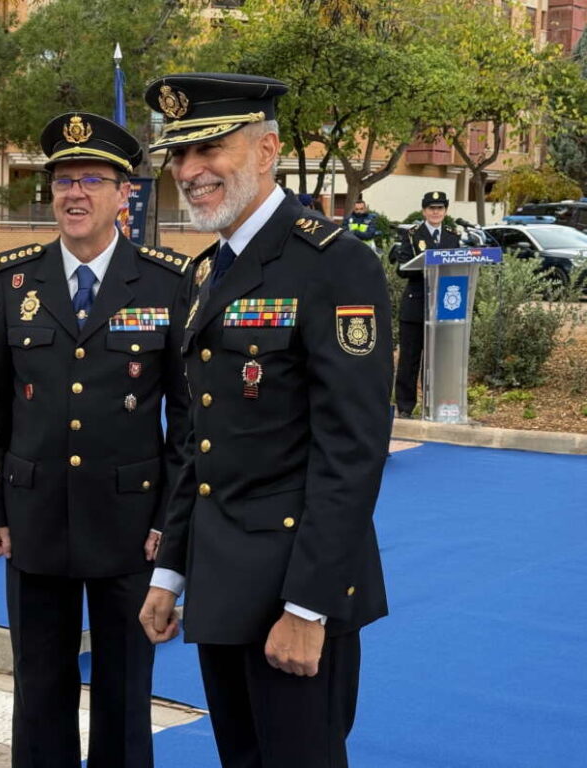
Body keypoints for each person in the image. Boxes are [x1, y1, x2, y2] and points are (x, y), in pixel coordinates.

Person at [138, 73, 393, 768]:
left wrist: (308, 609)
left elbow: (353, 449)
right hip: (223, 586)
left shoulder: (334, 264)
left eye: (209, 149)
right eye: (180, 157)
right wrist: (171, 576)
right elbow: (201, 441)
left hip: (293, 587)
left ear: (267, 149)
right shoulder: (205, 274)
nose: (190, 172)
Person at [0, 112, 191, 768]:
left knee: (126, 691)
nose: (73, 193)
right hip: (35, 517)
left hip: (130, 524)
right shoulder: (16, 281)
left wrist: (168, 525)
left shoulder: (164, 282)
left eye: (92, 179)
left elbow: (187, 424)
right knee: (39, 686)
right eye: (63, 180)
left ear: (124, 192)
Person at [393, 191, 459, 419]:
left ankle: (436, 405)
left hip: (442, 307)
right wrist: (428, 267)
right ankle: (404, 407)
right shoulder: (412, 235)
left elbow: (458, 266)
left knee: (436, 360)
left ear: (445, 211)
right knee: (410, 359)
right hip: (416, 305)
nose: (435, 212)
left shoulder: (452, 235)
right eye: (431, 208)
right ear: (424, 211)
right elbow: (401, 268)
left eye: (440, 208)